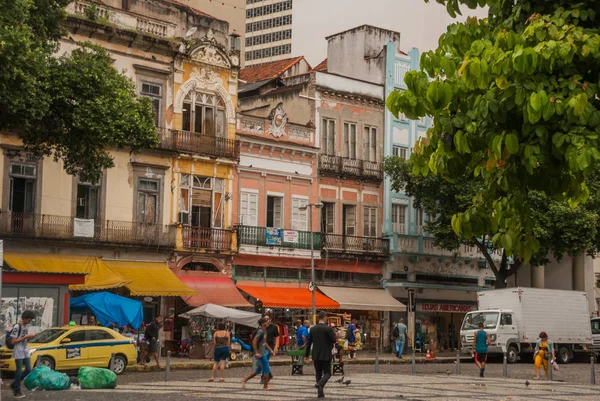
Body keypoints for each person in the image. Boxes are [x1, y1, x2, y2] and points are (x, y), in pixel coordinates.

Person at [305, 312, 336, 398]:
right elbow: (333, 340)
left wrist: (306, 354)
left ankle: (320, 393)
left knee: (318, 373)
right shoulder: (328, 329)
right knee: (328, 373)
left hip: (316, 354)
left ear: (318, 318)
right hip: (325, 354)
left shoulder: (313, 329)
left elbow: (309, 342)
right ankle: (320, 383)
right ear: (325, 318)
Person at [10, 311, 36, 399]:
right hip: (18, 350)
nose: (30, 321)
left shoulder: (26, 326)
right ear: (25, 318)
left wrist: (29, 338)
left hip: (25, 349)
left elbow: (24, 339)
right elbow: (13, 341)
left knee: (28, 369)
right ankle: (17, 390)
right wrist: (25, 337)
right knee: (19, 370)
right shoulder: (17, 327)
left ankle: (14, 384)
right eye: (29, 319)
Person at [241, 317, 272, 390]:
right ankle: (265, 386)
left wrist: (271, 350)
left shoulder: (264, 331)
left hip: (262, 352)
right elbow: (254, 341)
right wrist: (256, 352)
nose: (269, 322)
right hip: (261, 354)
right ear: (263, 323)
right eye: (267, 321)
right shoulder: (261, 331)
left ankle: (244, 380)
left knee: (258, 370)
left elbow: (264, 342)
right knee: (267, 369)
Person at [261, 314, 279, 382]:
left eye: (267, 319)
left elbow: (277, 337)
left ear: (270, 319)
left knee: (264, 360)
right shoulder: (261, 327)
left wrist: (276, 347)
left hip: (270, 346)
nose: (266, 320)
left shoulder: (274, 327)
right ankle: (269, 374)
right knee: (264, 361)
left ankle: (263, 377)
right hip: (262, 346)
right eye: (265, 319)